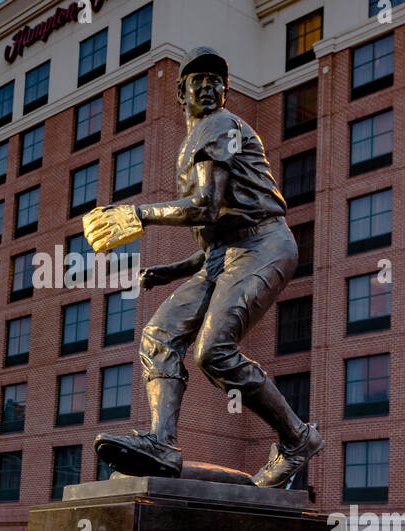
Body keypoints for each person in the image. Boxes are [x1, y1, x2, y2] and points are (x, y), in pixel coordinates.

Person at [84, 45, 323, 489]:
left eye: (217, 81)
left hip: (265, 244)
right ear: (181, 92)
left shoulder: (220, 125)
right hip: (224, 255)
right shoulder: (193, 142)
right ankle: (162, 442)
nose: (210, 88)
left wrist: (137, 214)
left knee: (213, 351)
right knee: (159, 335)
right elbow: (215, 233)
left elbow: (206, 207)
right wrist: (173, 270)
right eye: (199, 81)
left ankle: (297, 439)